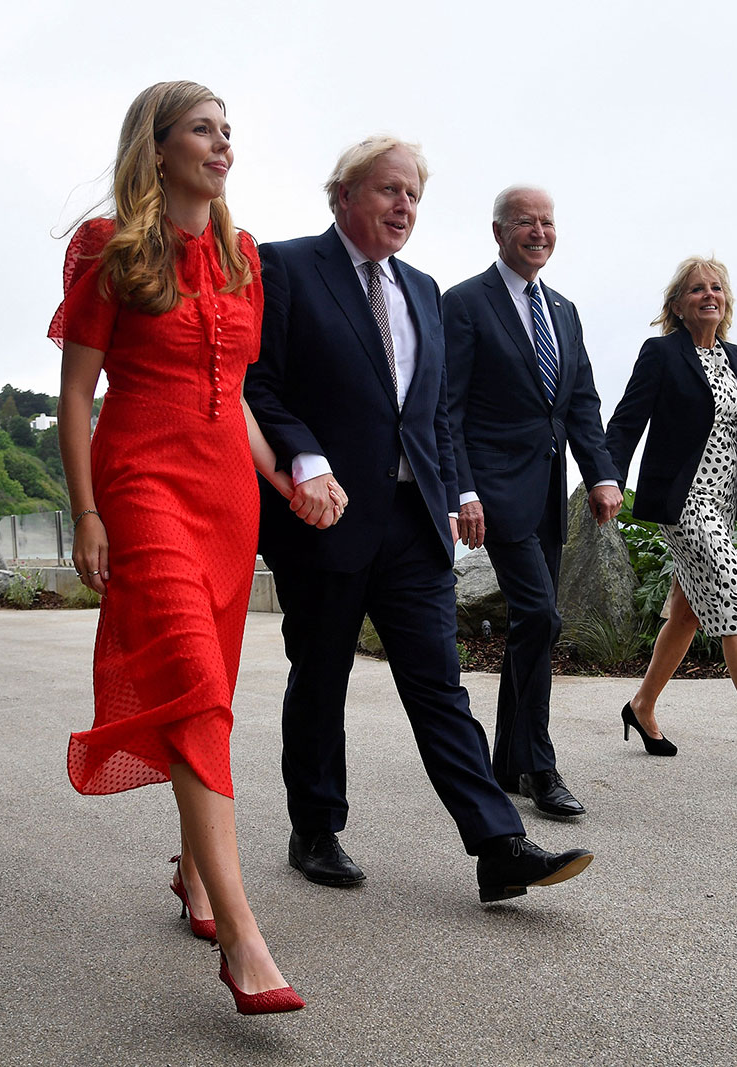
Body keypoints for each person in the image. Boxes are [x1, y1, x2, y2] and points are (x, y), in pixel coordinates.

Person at [244, 137, 595, 902]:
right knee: (321, 676)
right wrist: (305, 460)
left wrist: (453, 492)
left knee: (439, 684)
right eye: (388, 191)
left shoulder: (423, 288)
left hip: (412, 525)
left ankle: (498, 843)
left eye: (413, 196)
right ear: (343, 196)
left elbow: (435, 412)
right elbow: (258, 385)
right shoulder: (288, 266)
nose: (403, 207)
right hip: (324, 517)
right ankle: (316, 827)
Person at [51, 81, 326, 1015]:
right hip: (140, 484)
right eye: (204, 131)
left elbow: (237, 392)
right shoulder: (108, 248)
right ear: (157, 147)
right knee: (195, 685)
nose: (223, 147)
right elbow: (77, 395)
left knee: (201, 684)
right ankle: (246, 937)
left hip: (225, 497)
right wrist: (87, 514)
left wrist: (281, 477)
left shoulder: (242, 255)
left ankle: (194, 873)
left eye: (228, 132)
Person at [442, 185, 623, 820]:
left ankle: (507, 761)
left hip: (547, 494)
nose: (539, 231)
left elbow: (581, 403)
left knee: (532, 624)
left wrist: (601, 474)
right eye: (526, 222)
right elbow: (449, 409)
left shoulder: (565, 311)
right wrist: (461, 490)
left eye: (547, 221)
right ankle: (540, 767)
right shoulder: (463, 303)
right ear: (498, 231)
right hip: (493, 493)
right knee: (542, 616)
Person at [603, 256, 737, 789]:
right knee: (736, 596)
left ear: (727, 300)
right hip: (684, 502)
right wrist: (606, 480)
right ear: (677, 304)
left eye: (716, 287)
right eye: (697, 289)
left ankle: (642, 704)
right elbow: (627, 421)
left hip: (723, 504)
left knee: (688, 612)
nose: (709, 295)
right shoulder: (662, 353)